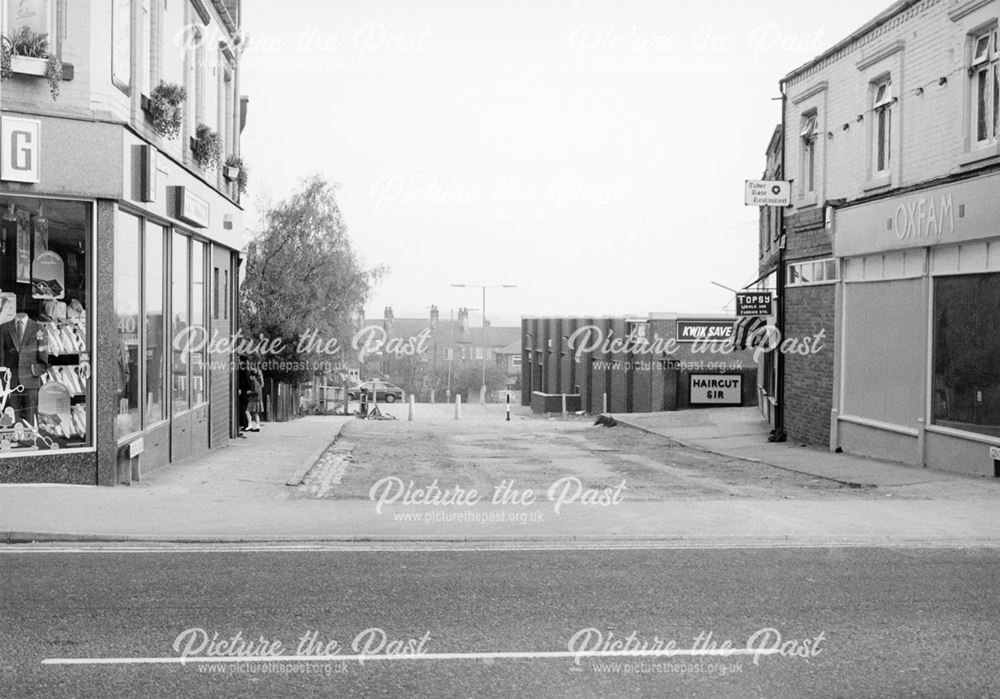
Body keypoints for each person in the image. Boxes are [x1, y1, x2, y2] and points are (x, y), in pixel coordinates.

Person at [246, 366, 264, 431]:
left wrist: (249, 392)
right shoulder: (258, 382)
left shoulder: (254, 383)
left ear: (253, 376)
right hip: (258, 400)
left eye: (250, 376)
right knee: (255, 413)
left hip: (254, 400)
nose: (250, 378)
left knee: (247, 411)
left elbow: (256, 392)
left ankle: (250, 425)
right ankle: (257, 426)